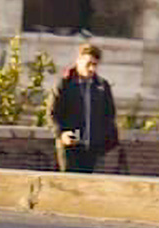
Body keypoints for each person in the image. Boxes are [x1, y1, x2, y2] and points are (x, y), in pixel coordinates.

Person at [48, 43, 119, 173]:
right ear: (79, 61)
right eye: (88, 64)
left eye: (95, 65)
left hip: (92, 146)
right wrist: (61, 134)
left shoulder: (101, 86)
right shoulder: (65, 83)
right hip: (70, 145)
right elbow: (52, 113)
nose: (91, 69)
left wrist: (107, 140)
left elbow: (109, 115)